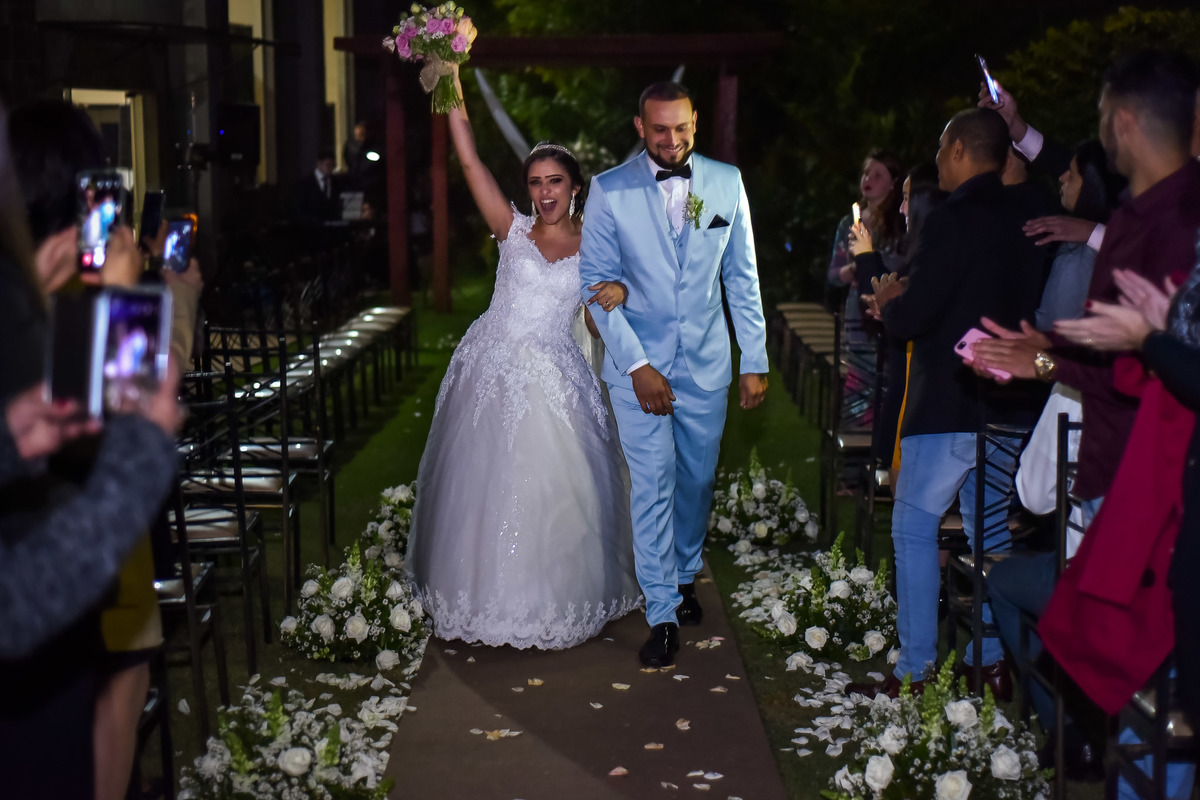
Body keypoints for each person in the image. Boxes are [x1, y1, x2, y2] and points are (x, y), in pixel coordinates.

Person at [406, 58, 641, 650]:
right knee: (481, 486)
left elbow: (598, 315)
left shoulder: (596, 245)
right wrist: (454, 83)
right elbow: (468, 160)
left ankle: (551, 600)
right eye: (535, 182)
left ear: (575, 186)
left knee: (556, 492)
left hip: (555, 372)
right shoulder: (510, 230)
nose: (544, 193)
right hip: (490, 367)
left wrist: (617, 294)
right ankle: (480, 598)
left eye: (554, 181)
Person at [847, 107, 1049, 700]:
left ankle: (915, 669)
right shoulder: (1029, 212)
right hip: (1010, 405)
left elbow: (917, 315)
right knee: (988, 532)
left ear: (960, 149)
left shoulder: (953, 219)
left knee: (913, 527)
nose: (937, 161)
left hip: (950, 399)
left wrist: (888, 299)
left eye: (940, 149)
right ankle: (988, 661)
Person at [578, 81, 769, 668]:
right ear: (640, 128)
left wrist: (753, 358)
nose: (671, 139)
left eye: (680, 127)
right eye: (659, 129)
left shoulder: (726, 183)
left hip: (707, 364)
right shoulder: (609, 191)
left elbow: (741, 277)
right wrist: (637, 366)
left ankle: (684, 572)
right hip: (639, 366)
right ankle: (661, 612)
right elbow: (596, 288)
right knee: (654, 485)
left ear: (695, 122)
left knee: (695, 483)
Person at [295, 149, 340, 223]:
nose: (330, 168)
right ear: (319, 164)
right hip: (312, 227)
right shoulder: (305, 183)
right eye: (328, 165)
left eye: (332, 165)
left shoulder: (336, 182)